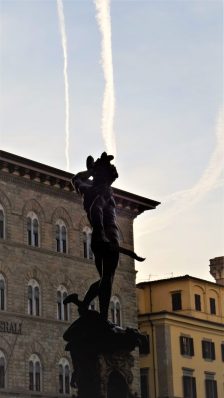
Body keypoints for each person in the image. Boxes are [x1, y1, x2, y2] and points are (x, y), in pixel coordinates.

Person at [65, 152, 120, 321]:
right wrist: (103, 233)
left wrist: (90, 172)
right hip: (107, 234)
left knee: (105, 278)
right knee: (107, 279)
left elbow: (75, 179)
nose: (113, 171)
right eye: (110, 169)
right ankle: (103, 319)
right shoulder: (102, 191)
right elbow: (97, 208)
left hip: (98, 237)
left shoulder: (89, 190)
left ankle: (84, 304)